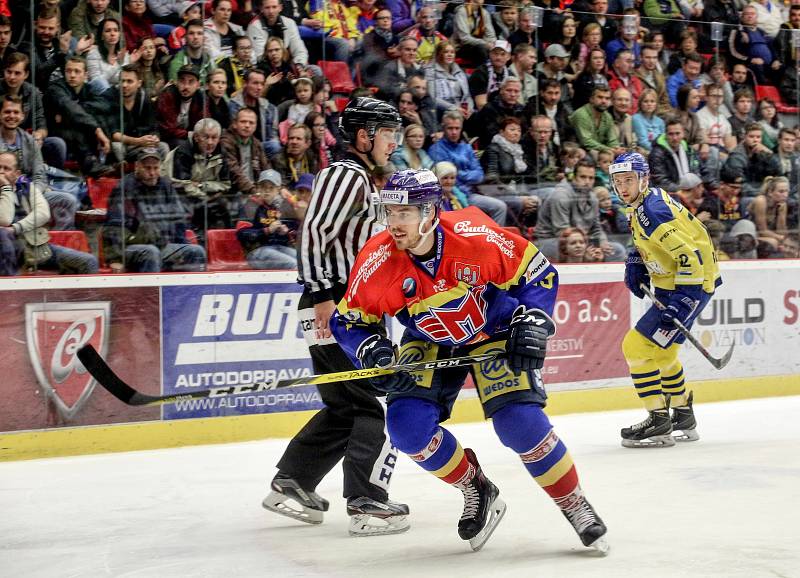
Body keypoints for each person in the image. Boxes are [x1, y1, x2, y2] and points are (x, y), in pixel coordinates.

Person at [329, 168, 609, 553]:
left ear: (430, 212)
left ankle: (573, 503)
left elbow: (538, 272)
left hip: (494, 330)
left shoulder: (475, 235)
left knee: (520, 425)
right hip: (429, 339)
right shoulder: (378, 261)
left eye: (405, 213)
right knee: (407, 428)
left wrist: (534, 318)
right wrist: (370, 349)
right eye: (390, 213)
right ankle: (476, 487)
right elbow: (348, 320)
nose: (395, 223)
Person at [263, 97, 410, 536]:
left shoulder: (362, 179)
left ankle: (293, 481)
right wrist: (325, 295)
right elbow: (314, 232)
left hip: (345, 304)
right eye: (388, 133)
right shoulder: (346, 175)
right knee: (368, 404)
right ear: (364, 135)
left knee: (344, 404)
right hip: (340, 305)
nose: (394, 142)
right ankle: (366, 502)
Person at [610, 152, 720, 448]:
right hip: (680, 284)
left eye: (629, 180)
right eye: (618, 181)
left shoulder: (652, 211)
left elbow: (689, 257)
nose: (623, 188)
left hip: (688, 286)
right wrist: (636, 258)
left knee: (634, 346)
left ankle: (658, 419)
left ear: (643, 179)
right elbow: (658, 241)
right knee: (663, 353)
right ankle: (682, 413)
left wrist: (683, 300)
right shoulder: (645, 201)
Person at [103, 147, 206, 273]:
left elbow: (178, 220)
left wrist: (182, 245)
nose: (152, 173)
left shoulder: (166, 186)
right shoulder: (124, 188)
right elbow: (114, 226)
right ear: (137, 167)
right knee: (151, 252)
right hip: (129, 248)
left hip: (162, 247)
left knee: (196, 251)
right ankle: (150, 293)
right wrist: (115, 259)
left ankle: (186, 293)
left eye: (155, 168)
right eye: (147, 168)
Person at [0, 152, 98, 276]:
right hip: (5, 252)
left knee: (89, 262)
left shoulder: (26, 186)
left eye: (6, 168)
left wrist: (16, 228)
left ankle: (83, 296)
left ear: (17, 174)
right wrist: (6, 188)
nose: (1, 172)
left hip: (34, 248)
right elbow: (4, 219)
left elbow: (43, 213)